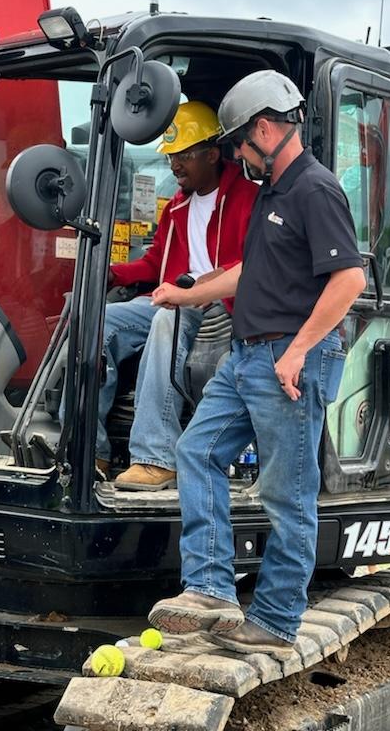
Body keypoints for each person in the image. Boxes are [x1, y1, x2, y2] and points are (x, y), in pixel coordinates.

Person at [147, 71, 366, 656]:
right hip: (247, 357)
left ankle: (275, 619)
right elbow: (251, 271)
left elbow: (349, 278)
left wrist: (296, 352)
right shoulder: (274, 189)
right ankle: (212, 589)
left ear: (265, 129)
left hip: (287, 358)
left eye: (240, 142)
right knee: (196, 451)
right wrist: (184, 295)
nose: (236, 154)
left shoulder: (315, 190)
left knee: (287, 495)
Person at [99, 101, 258, 490]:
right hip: (173, 295)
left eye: (184, 155)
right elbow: (155, 264)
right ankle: (92, 450)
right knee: (98, 318)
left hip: (222, 305)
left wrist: (195, 290)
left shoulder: (248, 198)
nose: (175, 165)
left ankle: (157, 456)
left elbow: (249, 266)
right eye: (171, 156)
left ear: (212, 153)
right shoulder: (176, 206)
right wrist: (110, 274)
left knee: (166, 319)